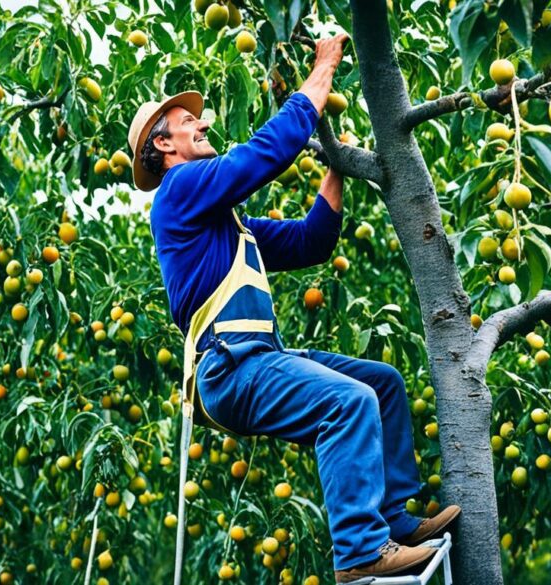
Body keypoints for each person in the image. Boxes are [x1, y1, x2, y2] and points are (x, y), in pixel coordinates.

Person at [127, 33, 460, 583]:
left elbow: (311, 241)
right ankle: (358, 553)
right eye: (189, 122)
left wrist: (336, 164)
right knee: (347, 404)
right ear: (164, 146)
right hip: (233, 368)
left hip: (257, 359)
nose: (202, 123)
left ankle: (391, 520)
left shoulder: (228, 227)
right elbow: (262, 157)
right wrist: (320, 73)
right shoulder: (180, 190)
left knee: (380, 384)